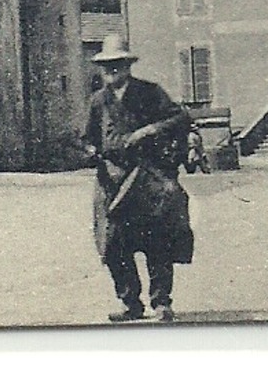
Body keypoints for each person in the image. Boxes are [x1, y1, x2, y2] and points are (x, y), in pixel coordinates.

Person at [82, 35, 194, 324]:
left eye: (117, 65)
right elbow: (87, 139)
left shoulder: (149, 92)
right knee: (113, 243)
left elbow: (180, 118)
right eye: (107, 66)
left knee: (157, 240)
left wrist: (150, 130)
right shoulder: (98, 101)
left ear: (128, 66)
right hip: (112, 180)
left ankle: (161, 303)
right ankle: (130, 302)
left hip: (146, 177)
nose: (112, 71)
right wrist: (92, 151)